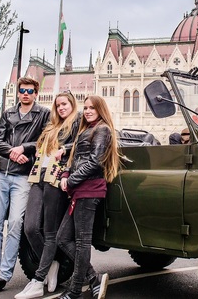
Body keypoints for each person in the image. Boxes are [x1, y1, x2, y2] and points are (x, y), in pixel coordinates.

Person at [0, 77, 51, 293]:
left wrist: (23, 148)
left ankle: (4, 275)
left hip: (22, 176)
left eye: (29, 91)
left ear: (36, 93)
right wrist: (14, 153)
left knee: (14, 224)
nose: (25, 94)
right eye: (22, 90)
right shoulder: (8, 113)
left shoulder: (43, 114)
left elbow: (44, 140)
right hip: (1, 172)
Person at [16, 92, 80, 299]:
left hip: (56, 177)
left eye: (65, 104)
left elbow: (80, 144)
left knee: (50, 232)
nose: (61, 108)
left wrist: (65, 148)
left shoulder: (76, 123)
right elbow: (38, 147)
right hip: (38, 176)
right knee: (31, 227)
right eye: (58, 105)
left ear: (72, 105)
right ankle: (52, 263)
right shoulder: (51, 126)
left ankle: (38, 280)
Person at [56, 96, 120, 299]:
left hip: (89, 189)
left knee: (81, 241)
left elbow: (95, 162)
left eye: (92, 107)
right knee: (63, 239)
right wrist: (66, 175)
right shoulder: (85, 130)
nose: (88, 111)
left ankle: (75, 290)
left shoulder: (102, 129)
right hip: (79, 190)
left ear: (101, 109)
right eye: (85, 108)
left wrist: (71, 179)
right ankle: (93, 278)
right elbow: (74, 158)